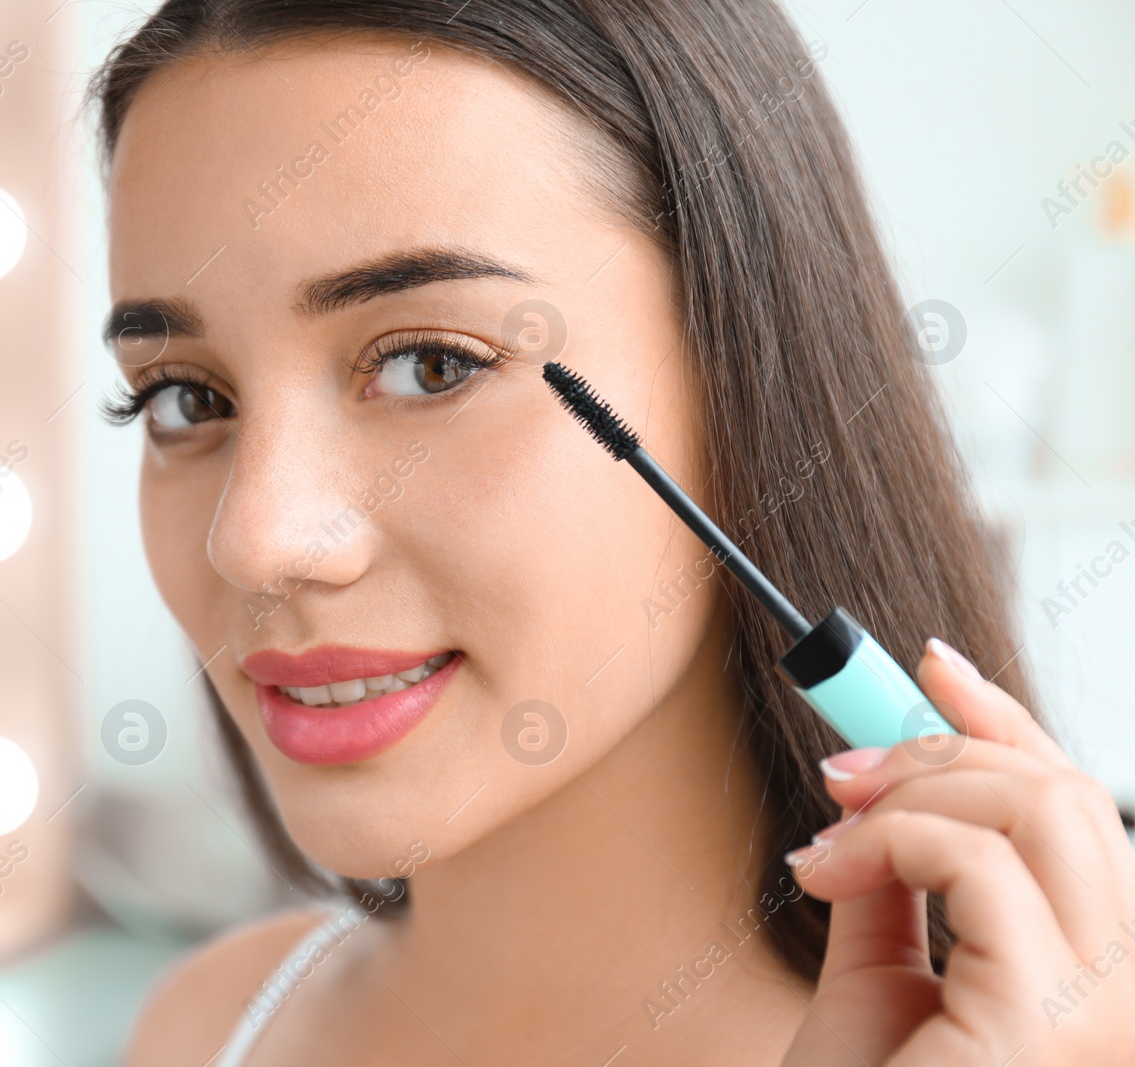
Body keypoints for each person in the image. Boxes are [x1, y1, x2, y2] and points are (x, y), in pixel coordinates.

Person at [89, 1, 1135, 1062]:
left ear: (748, 375)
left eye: (431, 364)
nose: (256, 539)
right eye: (183, 396)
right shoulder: (212, 1023)